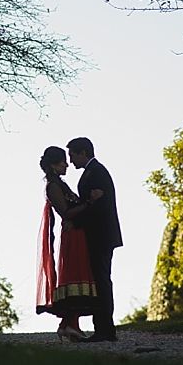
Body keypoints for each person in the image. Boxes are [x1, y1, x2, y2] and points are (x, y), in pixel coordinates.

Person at [35, 146, 103, 342]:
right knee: (75, 273)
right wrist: (90, 202)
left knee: (78, 273)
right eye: (63, 161)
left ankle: (68, 324)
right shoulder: (53, 186)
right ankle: (70, 324)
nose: (67, 164)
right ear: (54, 165)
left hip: (77, 233)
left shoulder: (60, 184)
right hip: (73, 235)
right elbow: (66, 212)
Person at [67, 137, 123, 343]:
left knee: (102, 281)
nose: (71, 160)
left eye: (73, 154)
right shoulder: (94, 172)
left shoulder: (97, 172)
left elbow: (98, 207)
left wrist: (76, 220)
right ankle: (104, 328)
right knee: (101, 280)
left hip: (100, 235)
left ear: (83, 153)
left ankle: (105, 330)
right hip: (100, 234)